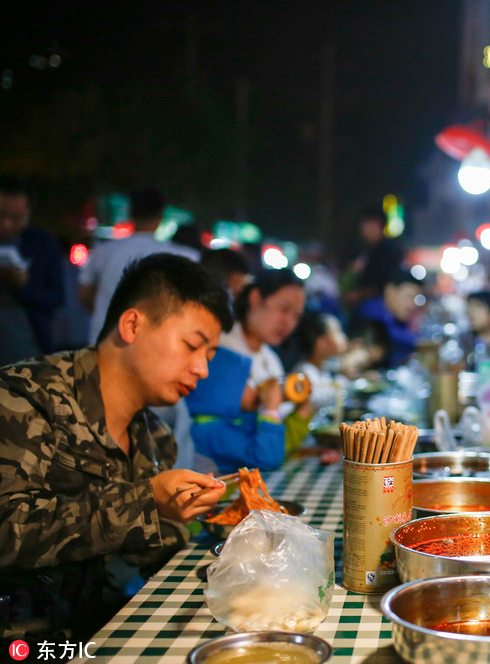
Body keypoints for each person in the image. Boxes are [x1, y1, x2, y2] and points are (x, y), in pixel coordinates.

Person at [0, 253, 234, 640]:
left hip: (98, 623)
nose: (202, 369)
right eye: (192, 346)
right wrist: (144, 501)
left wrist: (187, 516)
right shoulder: (26, 397)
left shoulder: (154, 436)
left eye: (209, 355)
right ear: (132, 325)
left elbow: (140, 552)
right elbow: (7, 530)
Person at [185, 268, 305, 473]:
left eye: (296, 316)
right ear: (256, 298)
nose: (289, 323)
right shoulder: (220, 349)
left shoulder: (270, 358)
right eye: (284, 309)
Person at [79, 187, 199, 343]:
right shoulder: (185, 256)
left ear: (130, 213)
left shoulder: (104, 251)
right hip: (156, 347)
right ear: (161, 216)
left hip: (105, 342)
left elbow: (84, 294)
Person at [0, 176, 66, 364]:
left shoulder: (43, 245)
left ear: (29, 213)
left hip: (27, 353)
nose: (6, 224)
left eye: (16, 218)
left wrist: (24, 285)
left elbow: (56, 297)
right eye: (1, 214)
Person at [278, 309, 348, 454]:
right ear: (321, 343)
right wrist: (344, 381)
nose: (344, 337)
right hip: (299, 442)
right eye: (338, 332)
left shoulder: (323, 368)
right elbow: (317, 396)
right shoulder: (304, 373)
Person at [347, 269, 422, 369]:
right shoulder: (371, 310)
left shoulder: (398, 318)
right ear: (390, 291)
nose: (411, 305)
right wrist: (425, 343)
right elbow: (389, 335)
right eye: (409, 296)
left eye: (415, 299)